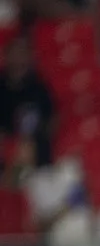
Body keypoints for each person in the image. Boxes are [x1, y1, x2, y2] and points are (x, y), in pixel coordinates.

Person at [0, 35, 56, 169]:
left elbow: (50, 120)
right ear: (6, 56)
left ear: (29, 57)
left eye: (21, 54)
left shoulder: (39, 87)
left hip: (31, 145)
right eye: (14, 54)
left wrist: (29, 140)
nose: (17, 59)